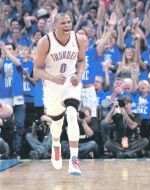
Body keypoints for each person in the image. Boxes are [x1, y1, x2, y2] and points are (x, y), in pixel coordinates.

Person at [34, 12, 87, 176]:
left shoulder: (79, 39)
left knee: (72, 114)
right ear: (54, 25)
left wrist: (78, 76)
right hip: (52, 85)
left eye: (69, 22)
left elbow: (82, 60)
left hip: (70, 83)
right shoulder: (45, 42)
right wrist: (53, 78)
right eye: (63, 23)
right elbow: (36, 69)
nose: (67, 25)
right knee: (56, 124)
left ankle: (74, 159)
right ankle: (55, 144)